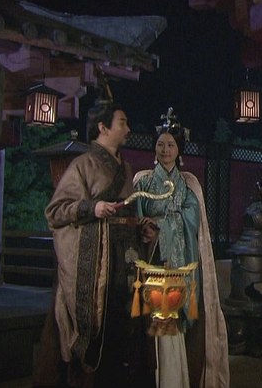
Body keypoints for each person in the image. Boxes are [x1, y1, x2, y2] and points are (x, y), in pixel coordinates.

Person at [44, 99, 153, 387]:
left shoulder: (126, 168)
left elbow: (128, 212)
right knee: (105, 328)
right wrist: (92, 208)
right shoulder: (83, 165)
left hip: (129, 259)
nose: (128, 129)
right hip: (101, 265)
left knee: (130, 327)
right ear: (103, 128)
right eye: (122, 123)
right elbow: (55, 211)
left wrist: (142, 227)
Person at [132, 108, 230, 388]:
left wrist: (162, 224)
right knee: (154, 326)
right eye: (161, 144)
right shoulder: (143, 181)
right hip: (153, 260)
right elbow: (136, 216)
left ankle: (177, 380)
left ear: (179, 150)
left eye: (171, 145)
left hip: (179, 262)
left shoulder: (188, 185)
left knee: (175, 325)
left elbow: (192, 219)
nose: (165, 150)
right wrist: (144, 227)